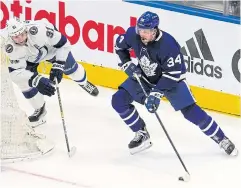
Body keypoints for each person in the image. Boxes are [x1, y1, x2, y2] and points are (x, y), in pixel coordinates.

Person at [112, 11, 238, 156]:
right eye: (140, 30)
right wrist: (126, 63)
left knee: (191, 112)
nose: (142, 34)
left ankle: (221, 138)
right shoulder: (133, 35)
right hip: (146, 75)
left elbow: (172, 74)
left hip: (171, 79)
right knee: (118, 100)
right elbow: (119, 46)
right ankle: (141, 133)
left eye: (146, 32)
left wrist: (156, 94)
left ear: (154, 31)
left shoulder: (168, 44)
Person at [3, 17, 99, 127]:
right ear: (10, 36)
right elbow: (15, 73)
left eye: (22, 34)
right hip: (28, 59)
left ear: (25, 30)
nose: (20, 39)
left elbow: (63, 43)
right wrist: (36, 80)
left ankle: (83, 82)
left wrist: (59, 64)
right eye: (16, 36)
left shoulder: (40, 30)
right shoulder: (7, 46)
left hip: (51, 51)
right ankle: (40, 110)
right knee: (24, 83)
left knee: (72, 70)